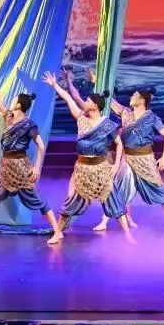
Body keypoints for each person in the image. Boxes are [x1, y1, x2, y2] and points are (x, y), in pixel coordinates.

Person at [0, 70, 58, 236]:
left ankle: (57, 231)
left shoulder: (29, 125)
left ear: (19, 105)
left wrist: (37, 168)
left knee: (37, 200)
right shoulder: (9, 118)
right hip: (5, 167)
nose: (12, 101)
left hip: (21, 168)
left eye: (14, 100)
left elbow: (41, 146)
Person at [42, 71, 133, 245]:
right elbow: (69, 98)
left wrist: (115, 166)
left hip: (101, 170)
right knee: (70, 204)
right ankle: (57, 232)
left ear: (95, 106)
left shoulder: (107, 125)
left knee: (114, 203)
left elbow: (119, 144)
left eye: (89, 101)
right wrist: (55, 85)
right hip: (82, 170)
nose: (86, 102)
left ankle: (128, 236)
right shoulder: (81, 118)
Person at [87, 69, 164, 232]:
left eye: (134, 95)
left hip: (145, 159)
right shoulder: (126, 113)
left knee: (160, 190)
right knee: (119, 188)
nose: (131, 97)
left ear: (141, 100)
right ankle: (106, 221)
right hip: (128, 158)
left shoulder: (152, 118)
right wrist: (96, 81)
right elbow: (111, 102)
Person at [60, 68, 138, 232]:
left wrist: (119, 163)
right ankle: (66, 221)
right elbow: (75, 98)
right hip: (89, 157)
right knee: (76, 191)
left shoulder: (115, 118)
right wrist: (68, 82)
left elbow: (120, 141)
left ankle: (121, 220)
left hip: (105, 157)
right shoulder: (89, 115)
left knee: (113, 191)